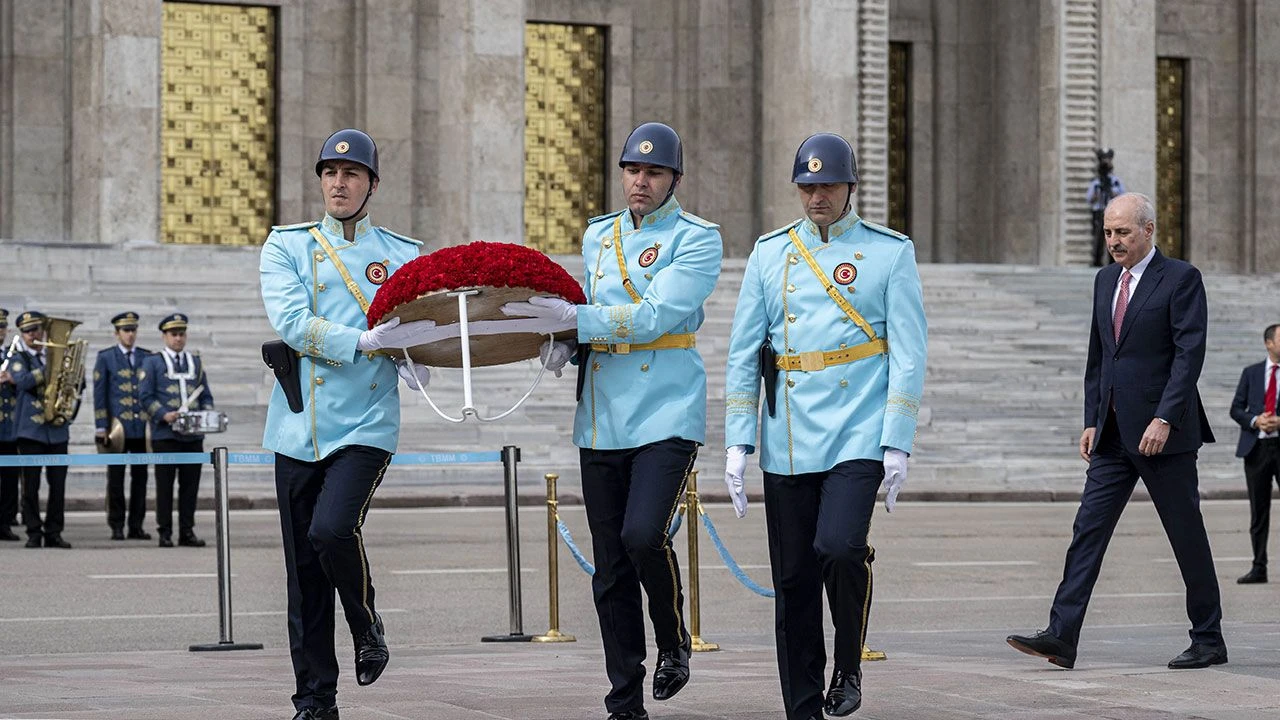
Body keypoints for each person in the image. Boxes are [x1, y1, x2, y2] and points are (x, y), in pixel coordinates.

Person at [502, 121, 723, 720]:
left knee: (643, 534)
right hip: (603, 413)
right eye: (632, 170)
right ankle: (624, 698)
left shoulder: (697, 239)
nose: (640, 181)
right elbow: (590, 309)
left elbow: (653, 317)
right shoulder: (599, 234)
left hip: (667, 408)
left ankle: (672, 639)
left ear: (675, 179)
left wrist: (575, 323)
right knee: (611, 568)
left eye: (653, 172)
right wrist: (564, 343)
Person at [721, 133, 927, 719]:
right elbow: (743, 351)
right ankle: (803, 706)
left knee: (839, 547)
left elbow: (908, 352)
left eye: (828, 185)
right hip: (788, 432)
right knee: (793, 581)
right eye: (807, 186)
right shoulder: (770, 253)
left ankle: (849, 663)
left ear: (850, 187)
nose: (816, 196)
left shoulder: (890, 252)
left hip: (859, 425)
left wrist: (897, 440)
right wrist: (738, 439)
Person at [260, 128, 436, 720]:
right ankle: (315, 698)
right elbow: (291, 321)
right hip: (299, 422)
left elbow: (422, 324)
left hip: (366, 419)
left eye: (351, 174)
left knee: (332, 530)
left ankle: (365, 621)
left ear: (372, 184)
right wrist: (362, 341)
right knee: (304, 574)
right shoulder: (287, 246)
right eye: (330, 174)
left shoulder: (403, 254)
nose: (339, 183)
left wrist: (418, 357)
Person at [1008, 192, 1225, 670]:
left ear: (1149, 230)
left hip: (1163, 436)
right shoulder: (1106, 280)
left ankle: (1209, 638)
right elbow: (1099, 356)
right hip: (1111, 434)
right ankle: (1062, 635)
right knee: (1087, 530)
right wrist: (1091, 418)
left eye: (1123, 232)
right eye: (1108, 232)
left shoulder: (1181, 278)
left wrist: (1165, 417)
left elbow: (1189, 355)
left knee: (1185, 535)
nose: (1113, 241)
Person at [139, 313, 213, 548]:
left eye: (181, 334)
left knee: (190, 487)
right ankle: (165, 531)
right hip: (165, 435)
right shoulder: (152, 362)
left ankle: (186, 531)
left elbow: (206, 395)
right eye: (173, 334)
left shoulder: (196, 362)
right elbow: (145, 396)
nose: (178, 338)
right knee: (165, 486)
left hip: (193, 436)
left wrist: (205, 414)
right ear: (164, 336)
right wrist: (163, 414)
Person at [8, 311, 74, 548]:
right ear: (22, 334)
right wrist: (51, 368)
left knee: (58, 485)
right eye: (27, 331)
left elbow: (76, 384)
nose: (32, 335)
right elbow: (22, 381)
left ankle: (54, 531)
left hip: (56, 430)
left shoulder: (59, 356)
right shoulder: (19, 358)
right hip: (30, 431)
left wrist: (69, 374)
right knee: (30, 486)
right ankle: (34, 531)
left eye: (36, 329)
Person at [94, 311, 152, 541]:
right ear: (117, 333)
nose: (130, 335)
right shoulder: (106, 357)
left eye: (133, 330)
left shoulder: (147, 356)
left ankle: (136, 525)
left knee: (141, 478)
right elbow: (100, 394)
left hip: (140, 428)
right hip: (116, 429)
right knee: (116, 479)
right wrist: (101, 426)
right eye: (126, 330)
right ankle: (116, 524)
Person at [1230, 323, 1280, 584]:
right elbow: (1236, 409)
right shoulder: (1251, 373)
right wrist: (1255, 420)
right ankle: (1259, 567)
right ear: (1268, 343)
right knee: (1258, 512)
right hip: (1256, 449)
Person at [0, 308, 22, 540]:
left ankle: (5, 522)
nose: (0, 331)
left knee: (9, 479)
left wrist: (14, 380)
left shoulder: (13, 356)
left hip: (9, 427)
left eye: (2, 327)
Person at [1086, 148, 1125, 267]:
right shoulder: (1096, 182)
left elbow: (1123, 197)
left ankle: (1113, 262)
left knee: (1114, 237)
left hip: (1112, 213)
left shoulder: (1115, 181)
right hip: (1098, 212)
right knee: (1098, 237)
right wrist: (1097, 194)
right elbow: (1089, 199)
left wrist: (1113, 193)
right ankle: (1096, 261)